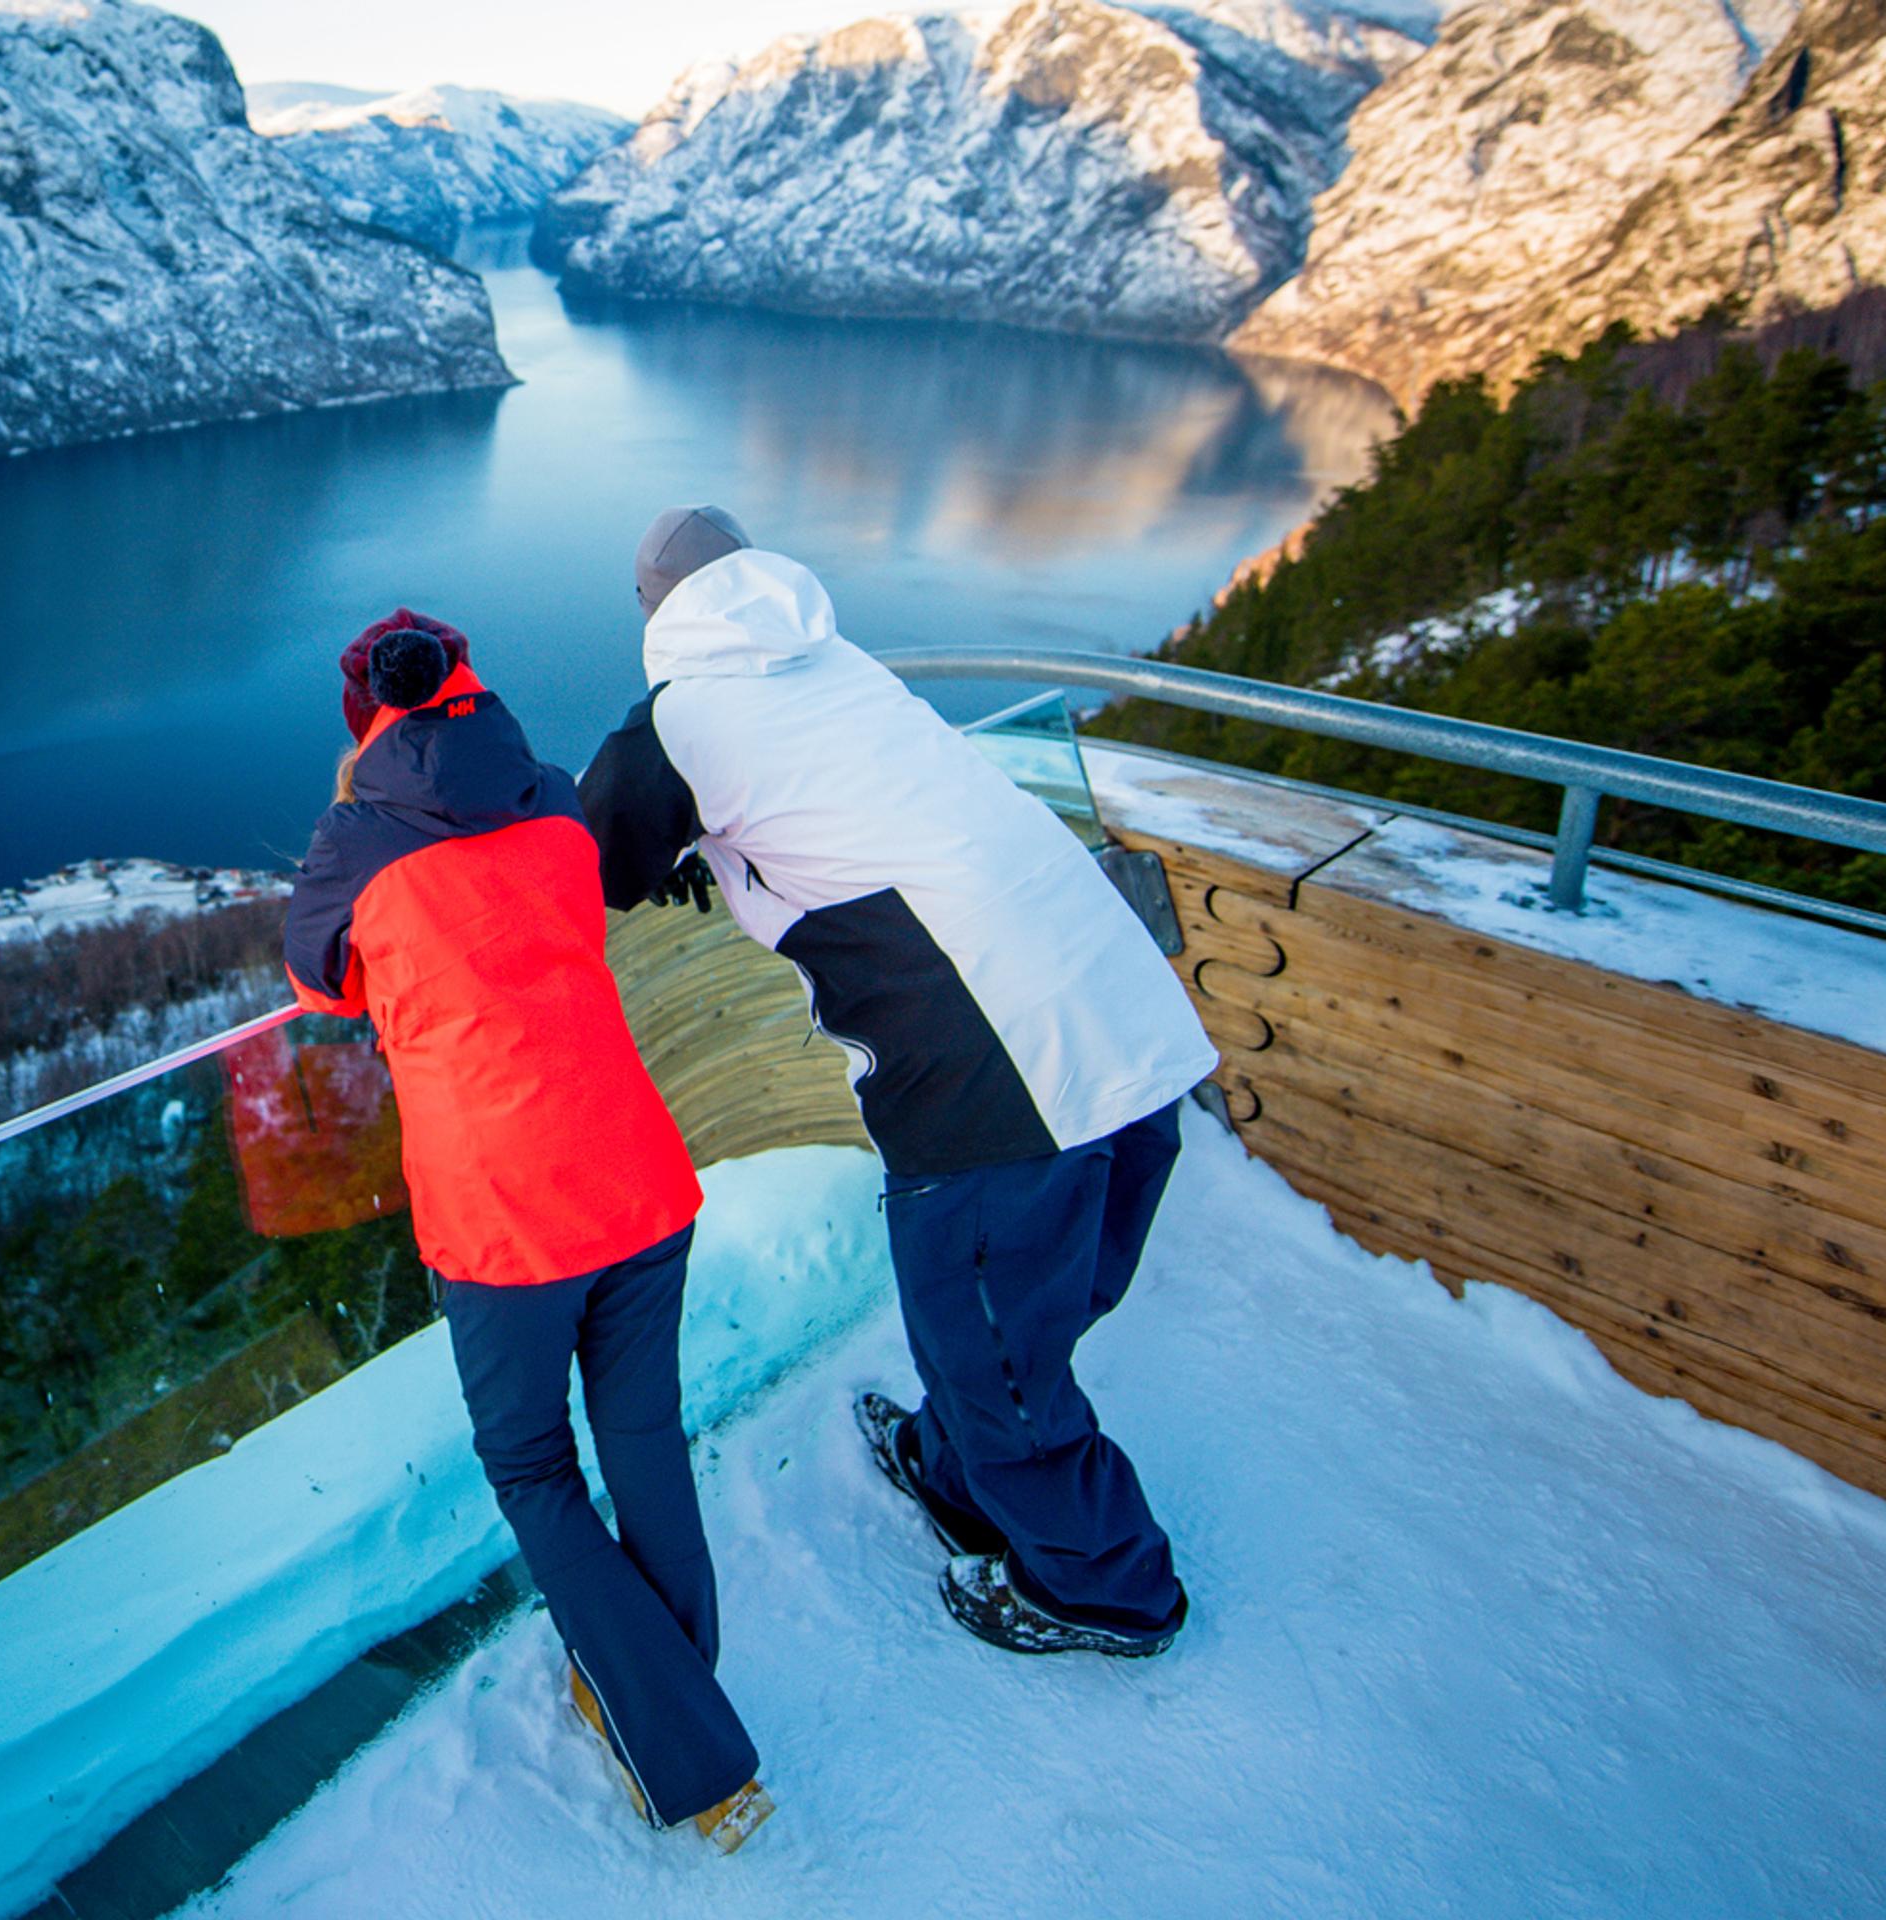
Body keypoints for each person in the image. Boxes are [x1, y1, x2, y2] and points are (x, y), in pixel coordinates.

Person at [579, 507, 1219, 1658]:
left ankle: (1108, 1592)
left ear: (653, 607)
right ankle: (953, 1474)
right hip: (1127, 1023)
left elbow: (576, 861)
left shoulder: (676, 723)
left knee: (993, 1351)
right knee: (1024, 1316)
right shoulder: (838, 659)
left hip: (998, 1077)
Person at [286, 609, 772, 1852]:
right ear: (470, 687)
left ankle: (687, 1746)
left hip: (504, 1214)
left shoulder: (355, 835)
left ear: (366, 722)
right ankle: (670, 1675)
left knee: (534, 1471)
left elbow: (319, 982)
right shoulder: (553, 797)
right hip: (635, 1171)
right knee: (644, 1436)